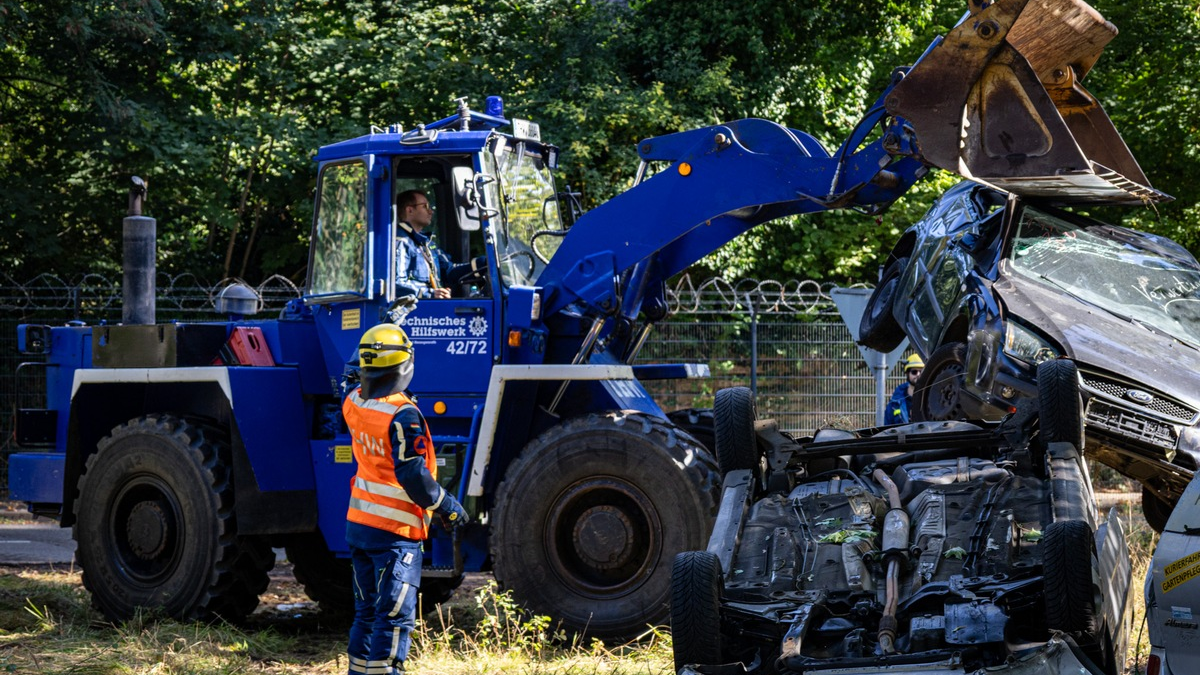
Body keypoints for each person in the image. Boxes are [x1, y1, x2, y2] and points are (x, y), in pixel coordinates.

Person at [342, 323, 469, 675]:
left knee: (366, 612)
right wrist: (448, 507)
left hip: (360, 527)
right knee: (394, 617)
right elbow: (413, 475)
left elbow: (351, 375)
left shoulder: (353, 402)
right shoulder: (403, 414)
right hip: (395, 533)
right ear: (405, 363)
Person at [394, 188, 485, 299]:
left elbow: (449, 271)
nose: (431, 211)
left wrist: (482, 264)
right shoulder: (400, 241)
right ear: (410, 210)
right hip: (416, 312)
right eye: (425, 206)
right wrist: (430, 293)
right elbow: (395, 283)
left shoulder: (427, 242)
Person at [886, 354, 925, 424]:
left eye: (921, 371)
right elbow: (887, 425)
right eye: (914, 372)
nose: (918, 374)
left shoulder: (931, 397)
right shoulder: (895, 402)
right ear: (907, 373)